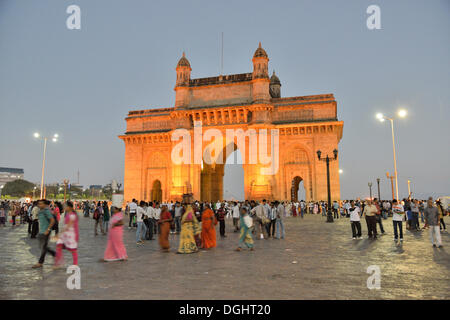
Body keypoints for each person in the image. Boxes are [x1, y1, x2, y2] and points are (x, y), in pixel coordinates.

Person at [54, 201, 79, 268]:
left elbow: (68, 225)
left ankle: (75, 264)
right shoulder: (68, 214)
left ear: (69, 207)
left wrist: (60, 233)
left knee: (73, 250)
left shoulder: (73, 215)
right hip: (65, 234)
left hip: (71, 235)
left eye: (65, 206)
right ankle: (59, 262)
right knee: (58, 246)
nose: (64, 207)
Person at [32, 200, 56, 268]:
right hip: (41, 231)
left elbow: (52, 220)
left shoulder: (46, 211)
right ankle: (55, 254)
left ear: (45, 205)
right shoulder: (40, 211)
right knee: (43, 247)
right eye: (39, 204)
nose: (39, 205)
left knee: (44, 247)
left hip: (46, 232)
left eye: (41, 204)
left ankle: (40, 262)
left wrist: (48, 229)